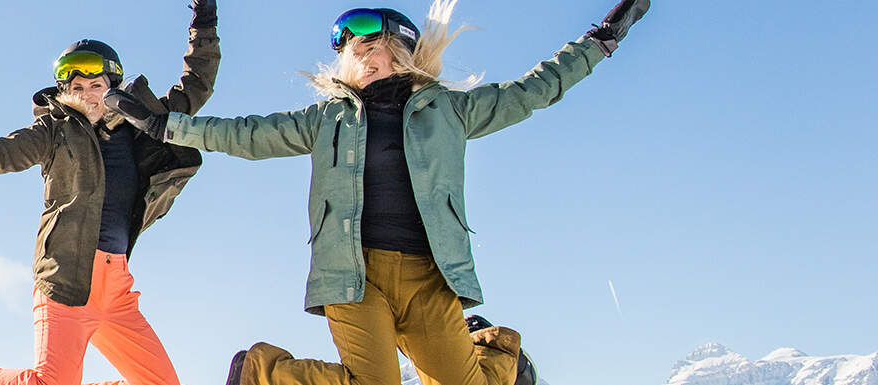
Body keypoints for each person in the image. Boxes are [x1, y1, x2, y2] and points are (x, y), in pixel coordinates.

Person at [102, 1, 649, 385]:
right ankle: (260, 372)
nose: (361, 56)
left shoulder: (450, 111)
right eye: (353, 50)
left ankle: (501, 355)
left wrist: (601, 40)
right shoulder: (326, 118)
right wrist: (163, 127)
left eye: (373, 46)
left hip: (430, 277)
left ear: (401, 50)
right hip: (352, 273)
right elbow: (244, 133)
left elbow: (536, 89)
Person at [0, 1, 220, 385]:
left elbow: (196, 85)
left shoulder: (143, 123)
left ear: (113, 86)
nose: (87, 94)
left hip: (116, 289)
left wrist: (203, 20)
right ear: (65, 91)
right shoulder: (54, 131)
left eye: (96, 86)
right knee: (51, 381)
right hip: (66, 279)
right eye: (78, 87)